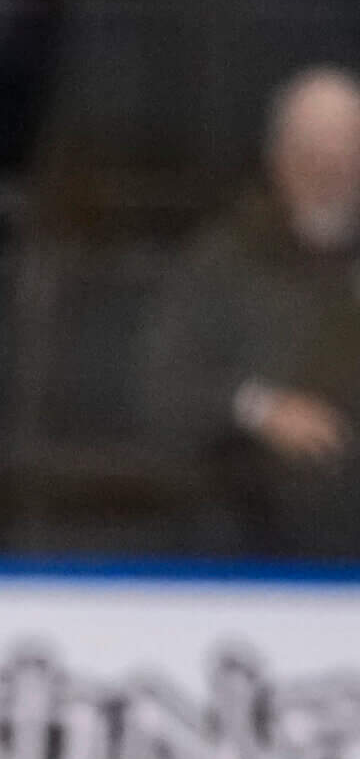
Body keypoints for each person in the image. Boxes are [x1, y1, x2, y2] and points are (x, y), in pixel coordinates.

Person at [142, 66, 360, 557]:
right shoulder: (223, 262)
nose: (330, 166)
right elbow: (165, 385)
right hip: (243, 543)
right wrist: (260, 409)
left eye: (345, 148)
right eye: (313, 150)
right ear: (278, 158)